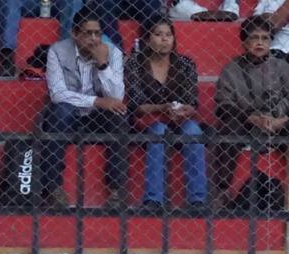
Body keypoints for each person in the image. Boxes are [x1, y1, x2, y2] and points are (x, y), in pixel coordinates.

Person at [39, 8, 129, 209]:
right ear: (74, 34)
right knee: (60, 111)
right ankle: (52, 189)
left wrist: (103, 64)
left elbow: (117, 97)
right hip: (68, 116)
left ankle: (117, 191)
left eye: (97, 33)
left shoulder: (113, 52)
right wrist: (96, 101)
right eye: (88, 33)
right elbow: (58, 94)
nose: (94, 39)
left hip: (98, 118)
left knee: (120, 116)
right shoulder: (57, 51)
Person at [213, 16, 289, 206]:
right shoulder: (231, 69)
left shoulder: (281, 66)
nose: (260, 43)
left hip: (278, 121)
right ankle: (223, 193)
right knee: (227, 129)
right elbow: (223, 106)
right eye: (254, 38)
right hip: (245, 122)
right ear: (245, 42)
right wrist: (252, 118)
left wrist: (283, 120)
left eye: (265, 38)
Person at [125, 16, 207, 210]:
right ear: (146, 39)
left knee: (193, 131)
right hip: (148, 119)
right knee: (158, 131)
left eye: (168, 35)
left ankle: (198, 200)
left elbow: (192, 101)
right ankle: (153, 199)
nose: (164, 39)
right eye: (158, 34)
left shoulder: (185, 63)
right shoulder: (135, 63)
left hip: (179, 119)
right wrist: (162, 108)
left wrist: (184, 110)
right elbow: (136, 105)